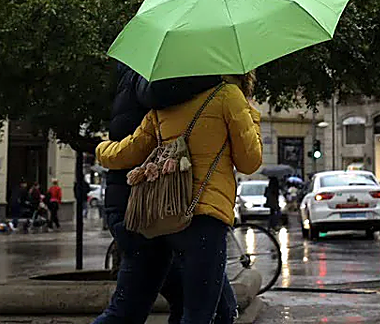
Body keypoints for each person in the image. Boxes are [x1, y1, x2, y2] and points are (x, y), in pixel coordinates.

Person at [96, 72, 263, 324]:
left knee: (203, 309)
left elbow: (129, 151)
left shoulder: (163, 105)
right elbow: (249, 161)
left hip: (169, 214)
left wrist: (100, 148)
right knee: (199, 315)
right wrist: (252, 117)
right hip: (206, 217)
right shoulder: (228, 96)